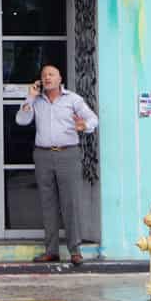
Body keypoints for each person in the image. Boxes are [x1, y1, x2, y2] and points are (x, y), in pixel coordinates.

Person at [15, 63, 98, 266]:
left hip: (67, 154)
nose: (47, 78)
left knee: (70, 202)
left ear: (60, 78)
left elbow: (93, 119)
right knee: (47, 203)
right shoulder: (38, 101)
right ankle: (51, 250)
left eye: (52, 74)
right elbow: (22, 120)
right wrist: (30, 98)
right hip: (43, 155)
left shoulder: (73, 100)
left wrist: (84, 125)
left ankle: (75, 250)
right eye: (44, 75)